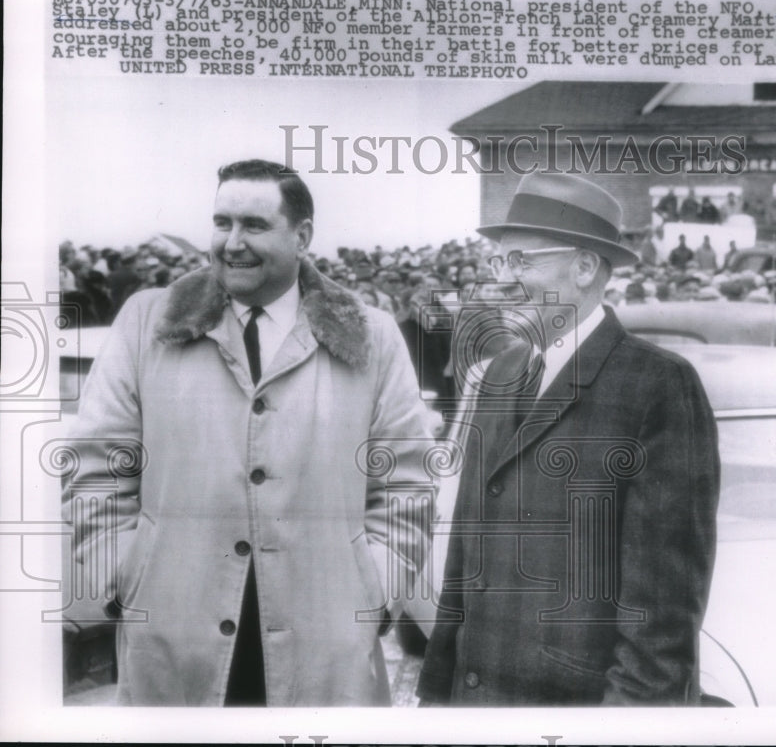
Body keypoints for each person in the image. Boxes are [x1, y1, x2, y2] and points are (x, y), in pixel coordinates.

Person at [62, 159, 434, 706]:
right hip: (173, 634)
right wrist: (125, 575)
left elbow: (406, 480)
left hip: (325, 642)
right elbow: (95, 465)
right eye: (222, 222)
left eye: (254, 226)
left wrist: (374, 589)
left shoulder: (371, 335)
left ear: (302, 235)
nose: (232, 242)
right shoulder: (147, 323)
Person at [417, 171, 720, 706]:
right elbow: (464, 561)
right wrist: (437, 697)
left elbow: (662, 619)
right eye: (500, 261)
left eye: (523, 261)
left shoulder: (658, 385)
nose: (503, 280)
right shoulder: (497, 373)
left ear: (584, 267)